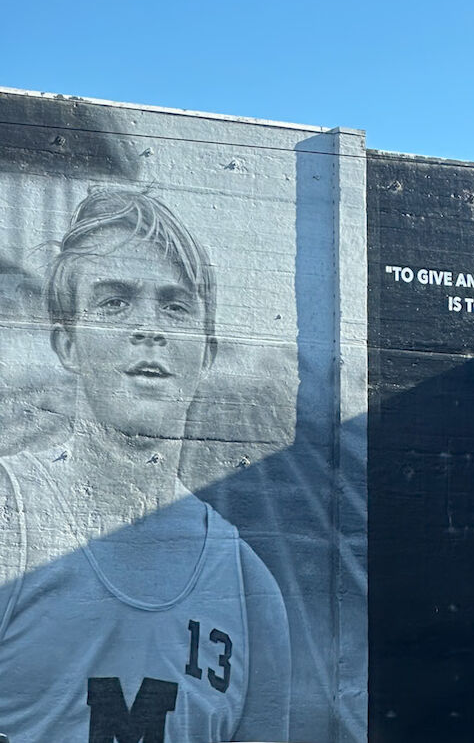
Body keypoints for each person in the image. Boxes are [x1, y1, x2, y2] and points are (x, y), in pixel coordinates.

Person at [0, 188, 291, 741]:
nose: (149, 327)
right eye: (114, 301)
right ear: (68, 345)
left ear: (204, 352)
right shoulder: (10, 512)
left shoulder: (250, 588)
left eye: (175, 305)